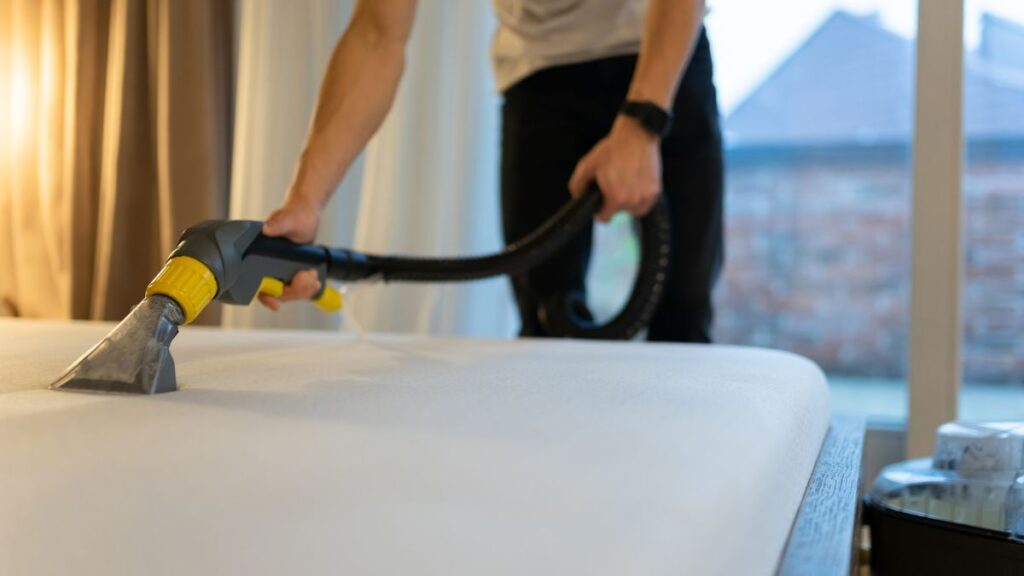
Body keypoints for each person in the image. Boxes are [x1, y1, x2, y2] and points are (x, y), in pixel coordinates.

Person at [260, 0, 723, 343]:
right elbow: (375, 36)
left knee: (682, 312)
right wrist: (306, 201)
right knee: (548, 323)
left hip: (662, 50)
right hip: (541, 75)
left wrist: (644, 123)